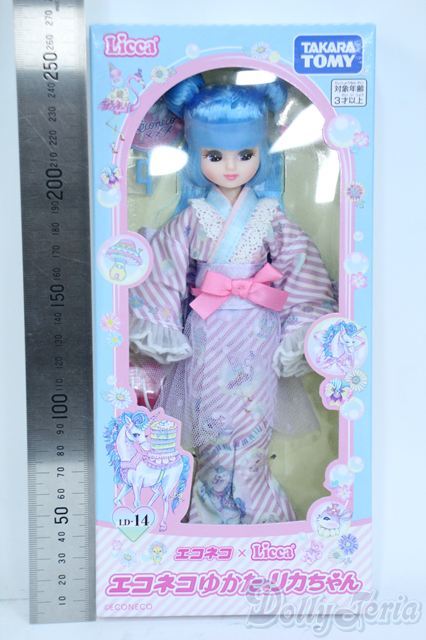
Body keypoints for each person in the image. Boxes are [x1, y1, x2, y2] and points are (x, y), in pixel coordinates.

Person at [129, 74, 336, 524]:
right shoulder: (192, 217)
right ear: (196, 154)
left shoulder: (269, 216)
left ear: (261, 152)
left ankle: (259, 508)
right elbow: (164, 268)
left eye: (244, 155)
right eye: (214, 156)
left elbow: (301, 266)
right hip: (209, 330)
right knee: (213, 422)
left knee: (252, 419)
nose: (229, 167)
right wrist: (162, 325)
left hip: (259, 331)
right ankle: (210, 507)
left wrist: (301, 327)